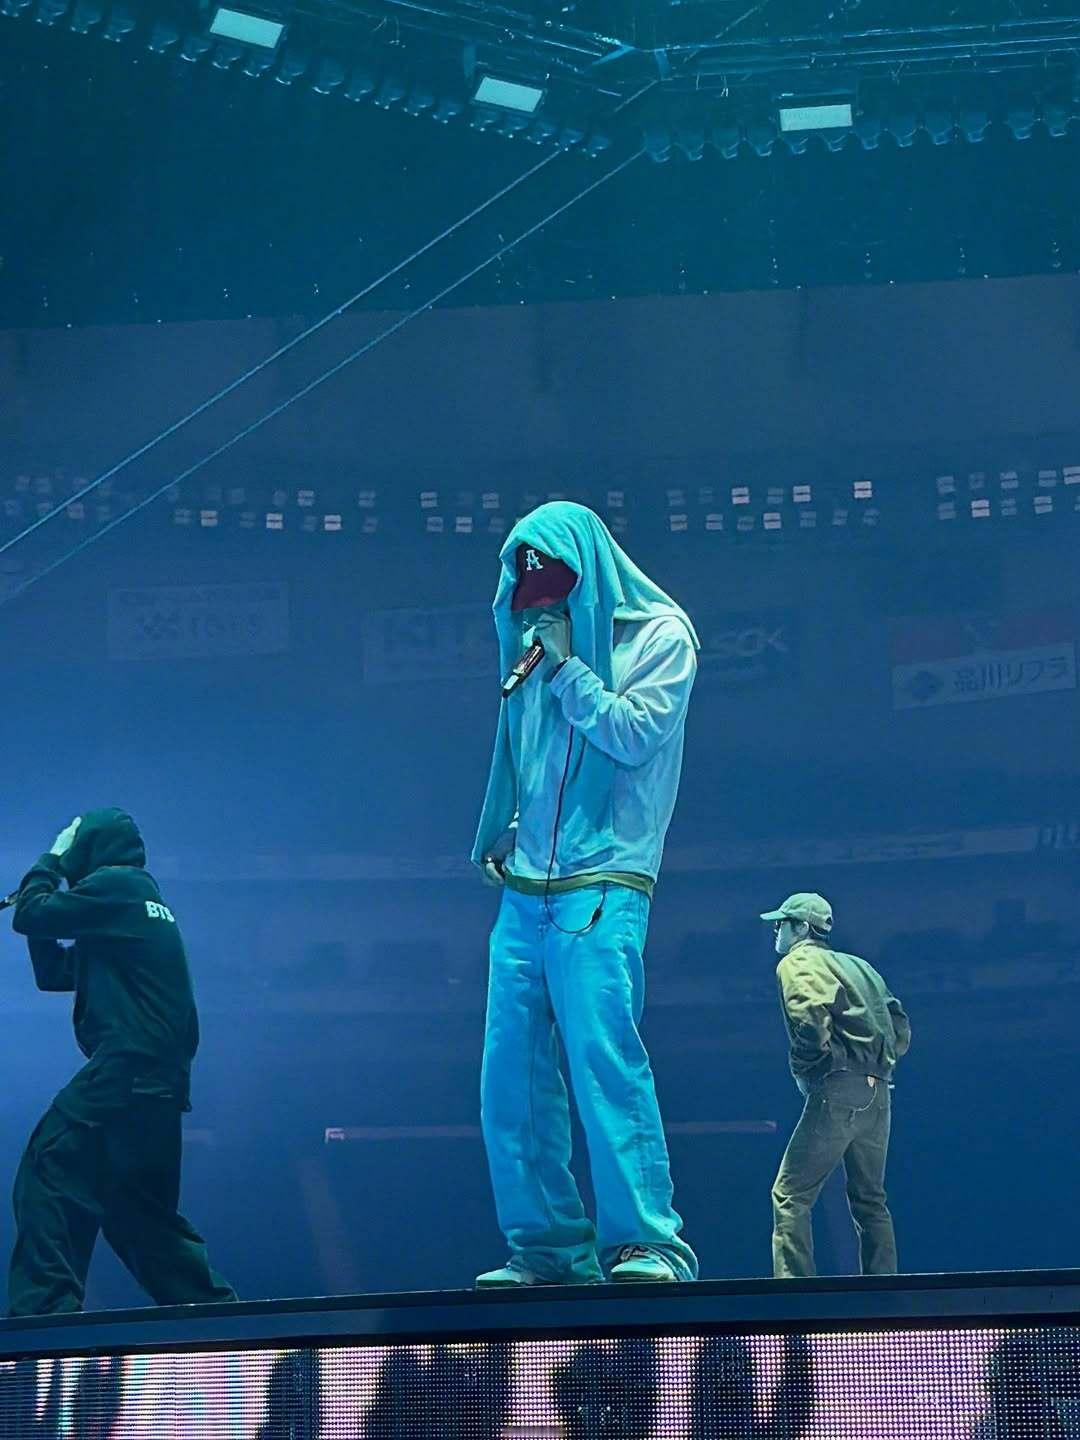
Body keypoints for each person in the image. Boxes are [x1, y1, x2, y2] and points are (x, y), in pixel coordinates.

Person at [472, 500, 699, 1287]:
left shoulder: (661, 636)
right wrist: (506, 825)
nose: (543, 607)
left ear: (589, 574)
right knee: (510, 1081)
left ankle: (647, 1244)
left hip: (604, 883)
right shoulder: (536, 641)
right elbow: (532, 755)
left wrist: (570, 670)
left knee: (605, 1063)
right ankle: (545, 1249)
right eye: (531, 593)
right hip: (525, 890)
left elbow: (633, 735)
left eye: (558, 589)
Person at [8, 808, 237, 1315]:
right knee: (139, 1216)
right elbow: (54, 973)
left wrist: (48, 863)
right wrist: (42, 911)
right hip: (159, 1084)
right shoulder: (135, 905)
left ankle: (45, 1320)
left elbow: (31, 915)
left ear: (87, 849)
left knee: (49, 1169)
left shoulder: (117, 886)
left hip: (125, 1069)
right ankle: (216, 1320)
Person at [761, 893, 911, 1280]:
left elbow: (810, 1024)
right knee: (871, 1200)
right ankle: (884, 1291)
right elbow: (899, 1026)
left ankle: (794, 1292)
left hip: (839, 1090)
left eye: (782, 923)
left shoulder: (797, 962)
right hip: (880, 1092)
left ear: (801, 928)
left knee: (790, 1195)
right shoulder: (860, 966)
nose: (776, 930)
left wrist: (807, 1070)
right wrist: (877, 1063)